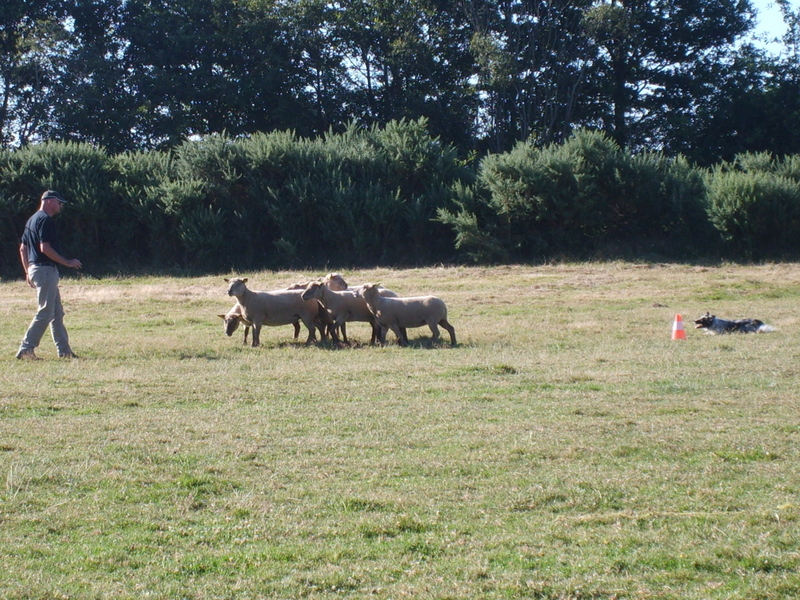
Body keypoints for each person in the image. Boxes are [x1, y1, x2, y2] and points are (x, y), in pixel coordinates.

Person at [16, 190, 83, 360]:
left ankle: (65, 351)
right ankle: (26, 349)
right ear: (50, 202)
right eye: (59, 203)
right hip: (45, 270)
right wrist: (67, 262)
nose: (61, 206)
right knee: (46, 312)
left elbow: (23, 248)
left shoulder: (31, 220)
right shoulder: (45, 220)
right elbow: (44, 248)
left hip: (36, 269)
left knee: (57, 312)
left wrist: (27, 271)